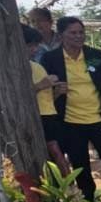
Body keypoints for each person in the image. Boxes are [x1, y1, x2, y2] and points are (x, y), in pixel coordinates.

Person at [39, 16, 101, 202]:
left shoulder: (94, 55)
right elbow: (45, 93)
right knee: (80, 163)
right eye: (73, 33)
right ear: (61, 35)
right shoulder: (50, 59)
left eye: (81, 32)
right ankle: (89, 200)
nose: (78, 36)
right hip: (70, 122)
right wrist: (56, 92)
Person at [22, 25, 69, 169]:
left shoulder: (37, 67)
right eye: (30, 46)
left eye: (36, 45)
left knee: (56, 152)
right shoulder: (4, 71)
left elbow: (46, 99)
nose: (35, 50)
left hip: (50, 116)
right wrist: (40, 85)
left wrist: (57, 92)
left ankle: (66, 181)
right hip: (33, 117)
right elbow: (13, 100)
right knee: (53, 151)